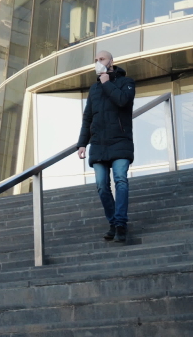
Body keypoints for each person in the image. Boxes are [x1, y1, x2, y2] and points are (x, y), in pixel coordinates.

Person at [77, 51, 135, 243]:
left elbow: (122, 100)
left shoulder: (126, 82)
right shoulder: (93, 89)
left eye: (101, 59)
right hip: (99, 145)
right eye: (95, 60)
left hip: (120, 141)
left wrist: (106, 82)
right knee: (102, 186)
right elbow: (87, 118)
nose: (98, 62)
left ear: (111, 61)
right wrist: (82, 143)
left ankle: (120, 224)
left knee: (120, 179)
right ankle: (112, 222)